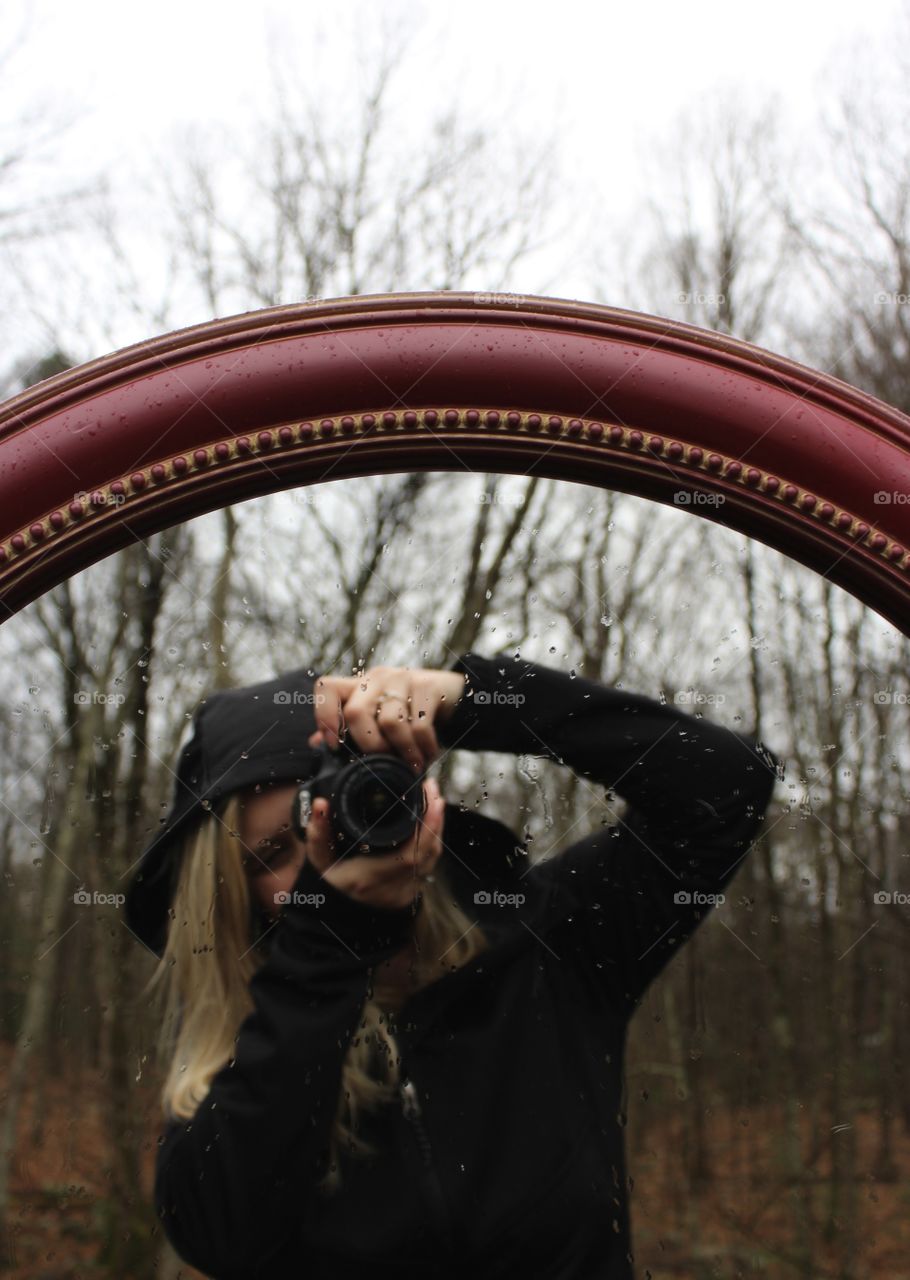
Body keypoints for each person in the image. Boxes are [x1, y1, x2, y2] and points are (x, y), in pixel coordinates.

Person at [124, 648, 781, 1279]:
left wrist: (471, 701)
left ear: (404, 796)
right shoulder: (243, 1060)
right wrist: (325, 948)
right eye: (270, 854)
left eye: (338, 813)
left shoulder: (552, 945)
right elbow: (220, 1236)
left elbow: (728, 783)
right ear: (231, 894)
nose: (320, 852)